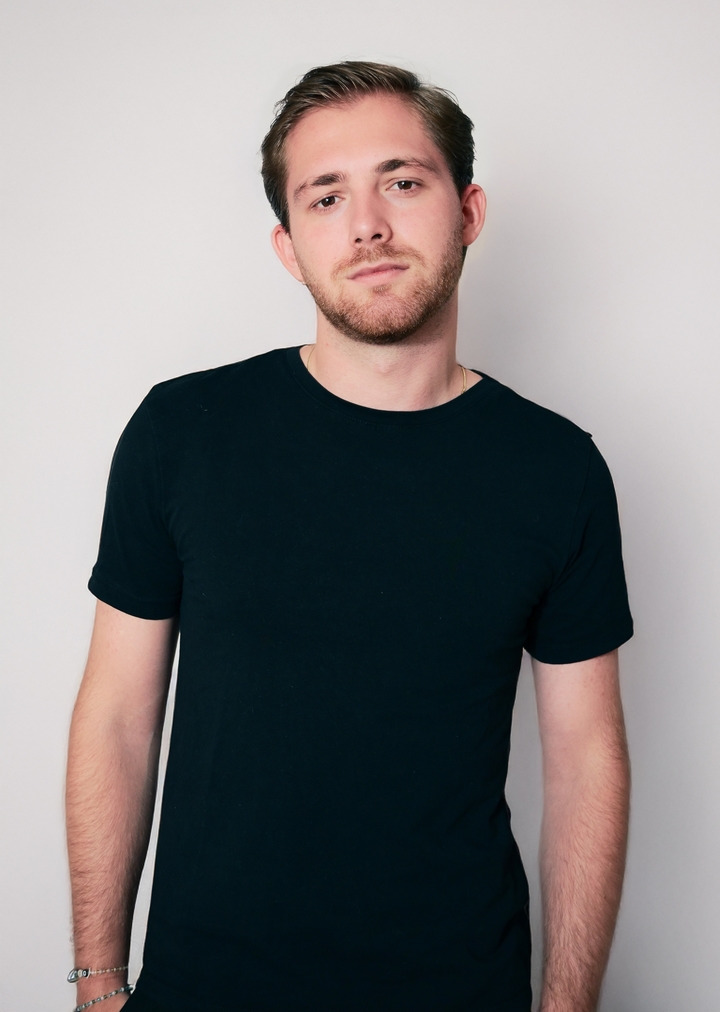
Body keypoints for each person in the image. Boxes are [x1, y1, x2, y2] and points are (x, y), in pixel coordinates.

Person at [66, 61, 633, 1012]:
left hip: (458, 989)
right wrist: (97, 983)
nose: (367, 224)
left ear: (469, 211)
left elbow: (586, 759)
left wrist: (567, 1006)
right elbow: (119, 714)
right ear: (289, 248)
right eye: (326, 197)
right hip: (206, 991)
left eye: (402, 181)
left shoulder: (557, 469)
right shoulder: (183, 434)